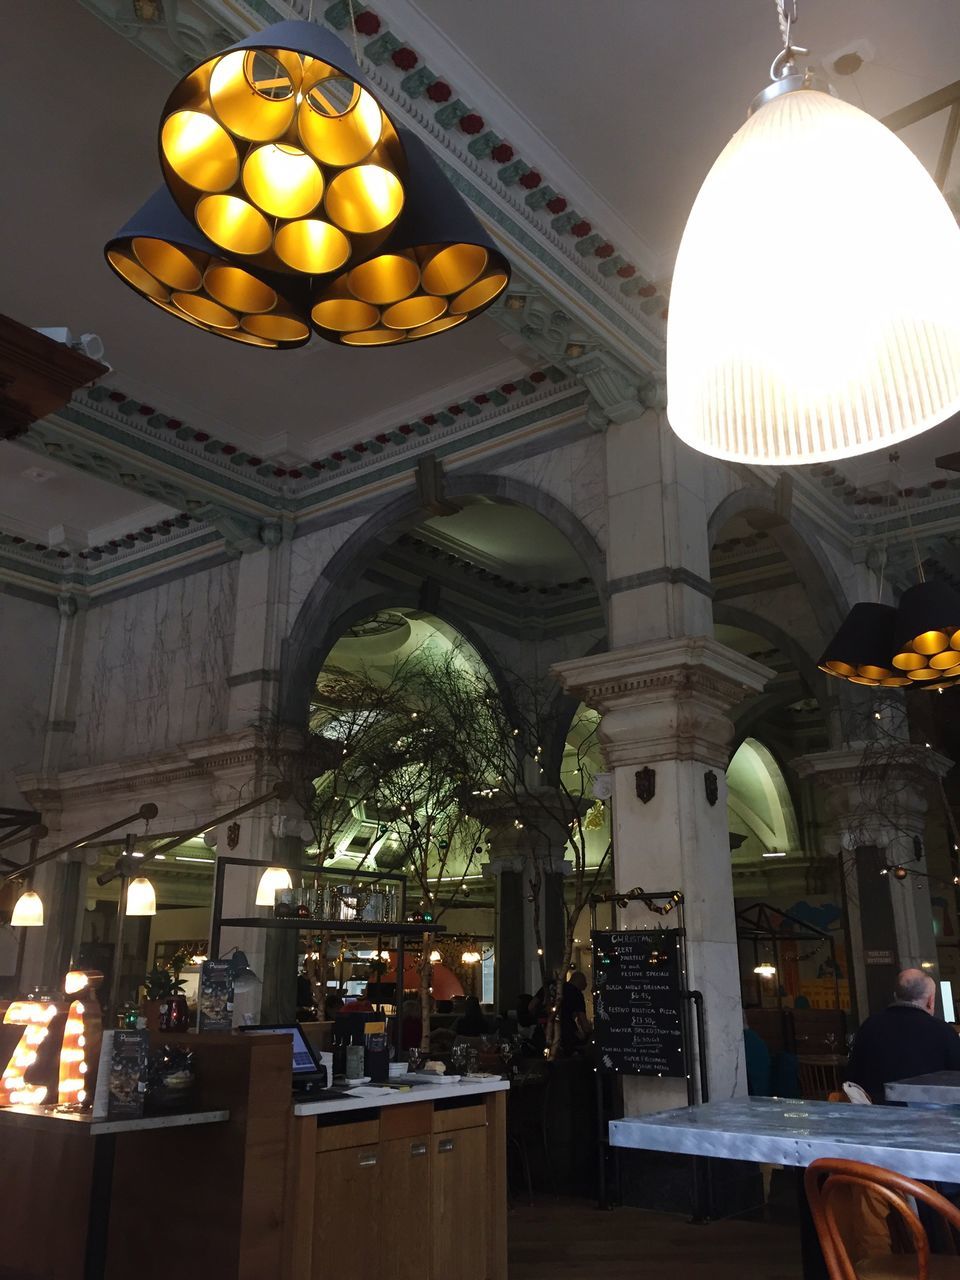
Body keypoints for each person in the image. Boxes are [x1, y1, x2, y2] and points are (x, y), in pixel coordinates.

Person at [847, 968, 960, 1102]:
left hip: (875, 1114)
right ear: (930, 1001)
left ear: (895, 995)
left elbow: (852, 1077)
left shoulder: (869, 1026)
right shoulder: (943, 1031)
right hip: (930, 1117)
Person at [559, 971, 591, 1054]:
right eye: (584, 983)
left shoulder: (555, 988)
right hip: (566, 1035)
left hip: (544, 1032)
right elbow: (584, 1024)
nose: (586, 986)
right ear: (580, 982)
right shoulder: (576, 994)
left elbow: (531, 1006)